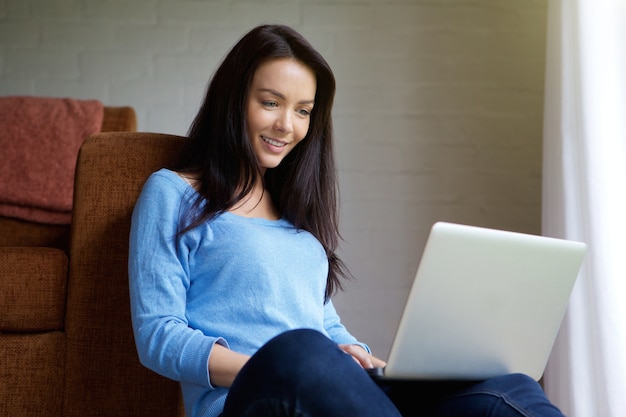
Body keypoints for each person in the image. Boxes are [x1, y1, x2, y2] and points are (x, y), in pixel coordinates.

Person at [129, 24, 567, 417]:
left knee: (508, 389)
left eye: (303, 111)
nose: (287, 125)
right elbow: (158, 335)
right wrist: (272, 364)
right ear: (233, 100)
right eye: (270, 102)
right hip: (249, 398)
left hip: (318, 384)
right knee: (301, 352)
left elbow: (322, 322)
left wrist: (356, 354)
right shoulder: (174, 193)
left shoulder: (294, 213)